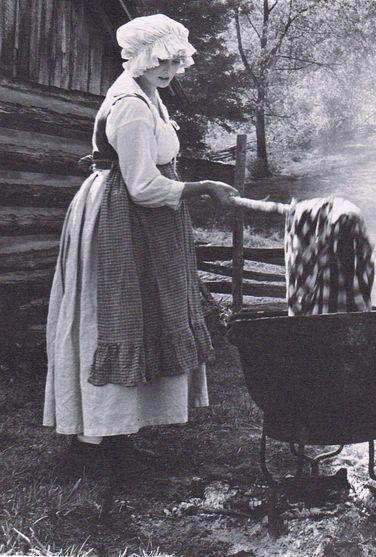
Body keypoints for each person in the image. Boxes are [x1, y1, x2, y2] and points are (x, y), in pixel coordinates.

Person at [43, 14, 238, 462]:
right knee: (114, 313)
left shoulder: (150, 96)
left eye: (175, 60)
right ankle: (93, 440)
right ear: (140, 59)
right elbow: (142, 186)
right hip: (120, 217)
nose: (169, 69)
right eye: (160, 61)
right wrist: (200, 189)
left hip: (145, 221)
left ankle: (120, 429)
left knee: (145, 311)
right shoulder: (129, 104)